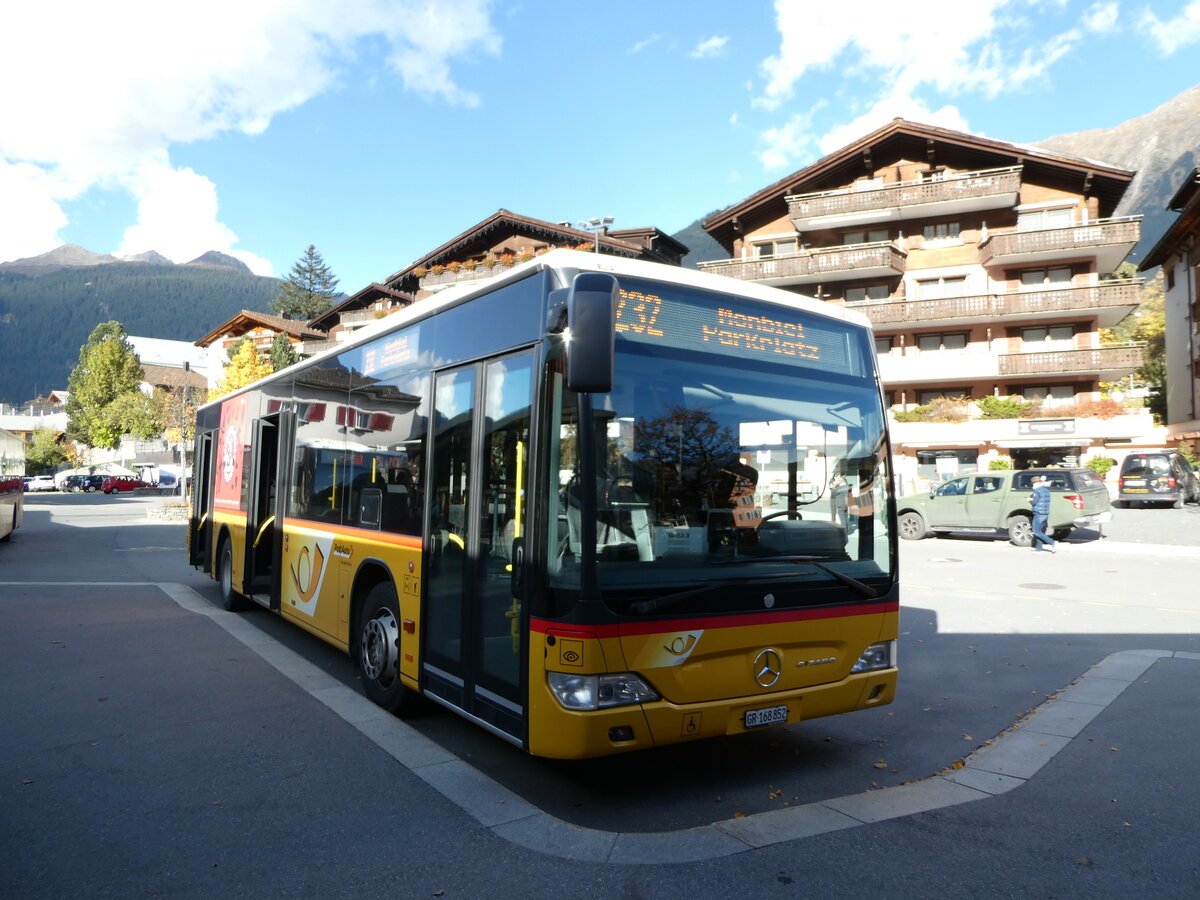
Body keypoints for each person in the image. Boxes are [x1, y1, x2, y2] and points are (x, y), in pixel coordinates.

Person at [1029, 475, 1056, 553]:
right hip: (1045, 513)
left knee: (1036, 531)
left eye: (1033, 483)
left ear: (1035, 483)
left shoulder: (1036, 491)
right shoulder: (1046, 490)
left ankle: (1052, 542)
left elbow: (1034, 502)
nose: (1033, 485)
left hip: (1038, 513)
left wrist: (1030, 500)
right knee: (1040, 531)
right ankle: (1039, 548)